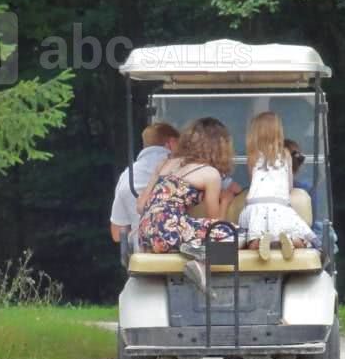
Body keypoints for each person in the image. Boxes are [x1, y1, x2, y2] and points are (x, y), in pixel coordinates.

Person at [136, 117, 238, 292]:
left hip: (146, 234)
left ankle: (193, 249)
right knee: (231, 233)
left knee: (196, 228)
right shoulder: (209, 173)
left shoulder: (166, 163)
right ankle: (200, 261)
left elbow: (140, 205)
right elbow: (215, 222)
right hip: (169, 229)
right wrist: (226, 201)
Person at [239, 112, 319, 261]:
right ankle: (290, 241)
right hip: (279, 205)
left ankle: (259, 242)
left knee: (251, 241)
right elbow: (288, 186)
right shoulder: (286, 155)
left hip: (255, 206)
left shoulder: (252, 156)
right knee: (302, 241)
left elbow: (253, 183)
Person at [109, 122, 180, 243]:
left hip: (143, 255)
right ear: (172, 143)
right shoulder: (185, 168)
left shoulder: (127, 176)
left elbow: (117, 234)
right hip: (184, 250)